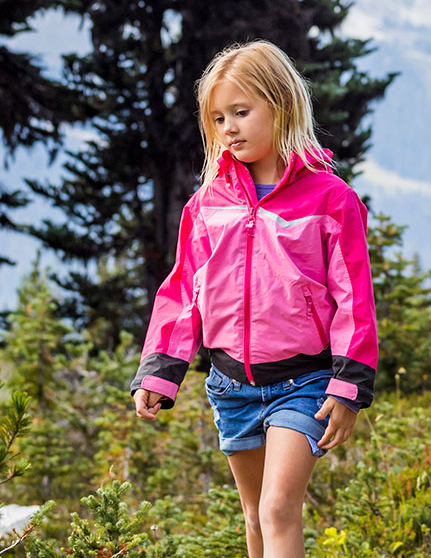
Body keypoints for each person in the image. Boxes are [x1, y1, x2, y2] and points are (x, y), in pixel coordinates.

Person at [128, 40, 378, 558]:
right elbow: (181, 294)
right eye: (218, 118)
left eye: (242, 112)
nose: (229, 128)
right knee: (254, 515)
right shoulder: (206, 205)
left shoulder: (331, 200)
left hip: (305, 381)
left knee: (277, 508)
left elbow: (355, 298)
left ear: (281, 106)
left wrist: (349, 385)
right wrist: (159, 369)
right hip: (230, 385)